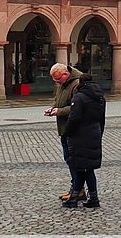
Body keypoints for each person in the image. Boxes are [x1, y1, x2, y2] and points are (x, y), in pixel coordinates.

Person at [61, 76, 106, 209]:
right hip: (94, 133)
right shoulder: (100, 97)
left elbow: (74, 118)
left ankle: (77, 198)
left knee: (80, 167)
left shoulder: (79, 97)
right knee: (87, 168)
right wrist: (99, 132)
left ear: (80, 83)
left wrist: (67, 132)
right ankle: (91, 197)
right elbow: (101, 118)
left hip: (80, 135)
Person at [46, 63, 87, 202]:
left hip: (73, 129)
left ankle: (77, 189)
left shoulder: (77, 84)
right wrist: (53, 108)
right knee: (69, 159)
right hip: (65, 128)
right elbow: (59, 101)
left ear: (65, 74)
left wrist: (59, 111)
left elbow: (78, 108)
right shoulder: (64, 83)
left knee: (73, 160)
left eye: (58, 80)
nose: (57, 83)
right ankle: (76, 188)